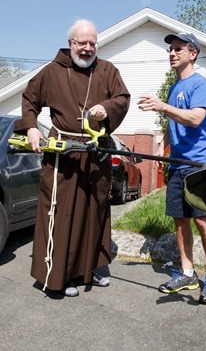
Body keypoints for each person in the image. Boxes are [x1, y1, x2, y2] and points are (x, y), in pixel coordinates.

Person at [14, 19, 130, 297]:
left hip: (95, 150)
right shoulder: (52, 72)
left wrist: (107, 106)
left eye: (92, 43)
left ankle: (90, 270)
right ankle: (58, 276)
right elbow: (29, 99)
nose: (88, 48)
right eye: (82, 43)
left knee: (95, 210)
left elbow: (123, 98)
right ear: (71, 43)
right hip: (62, 154)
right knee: (61, 212)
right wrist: (31, 127)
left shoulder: (107, 70)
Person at [137, 32, 206, 304]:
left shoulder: (202, 85)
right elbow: (173, 121)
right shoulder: (175, 88)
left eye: (178, 49)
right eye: (170, 50)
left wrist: (162, 106)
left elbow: (196, 119)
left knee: (203, 220)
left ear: (192, 53)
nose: (172, 53)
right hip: (177, 164)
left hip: (199, 164)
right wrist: (162, 141)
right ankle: (187, 272)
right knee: (179, 219)